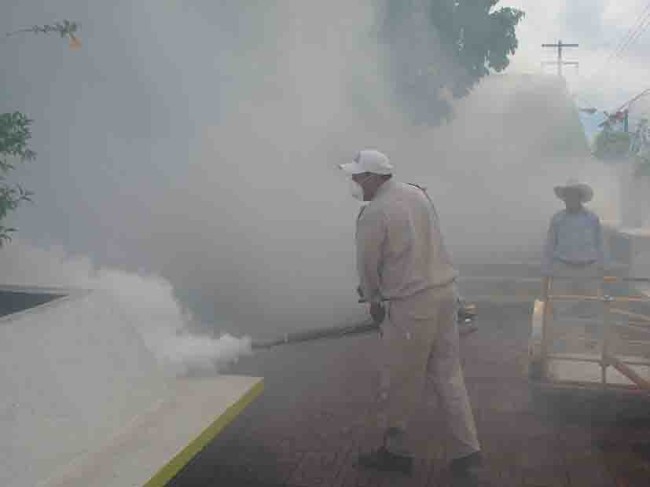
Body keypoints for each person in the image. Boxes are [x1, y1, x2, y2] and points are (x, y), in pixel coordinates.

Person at [340, 149, 481, 485]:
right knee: (448, 375)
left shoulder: (374, 212)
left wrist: (373, 301)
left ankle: (396, 453)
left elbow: (367, 266)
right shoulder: (418, 194)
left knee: (399, 380)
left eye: (359, 177)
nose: (355, 183)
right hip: (444, 294)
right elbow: (437, 242)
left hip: (410, 304)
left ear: (374, 177)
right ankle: (468, 452)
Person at [541, 180, 606, 323]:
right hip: (563, 268)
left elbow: (599, 243)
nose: (569, 200)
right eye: (567, 196)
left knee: (593, 307)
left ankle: (590, 340)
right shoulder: (557, 219)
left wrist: (601, 266)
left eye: (572, 196)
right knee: (561, 307)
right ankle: (561, 339)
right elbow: (550, 245)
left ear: (580, 198)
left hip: (588, 268)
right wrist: (546, 271)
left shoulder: (592, 218)